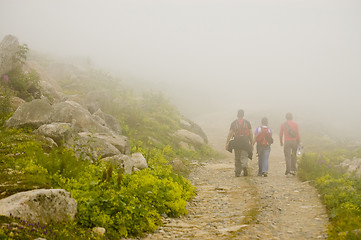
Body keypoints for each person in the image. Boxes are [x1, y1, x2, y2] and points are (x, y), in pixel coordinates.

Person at [225, 109, 253, 177]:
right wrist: (252, 143)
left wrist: (227, 142)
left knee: (237, 157)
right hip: (245, 141)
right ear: (243, 115)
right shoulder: (247, 122)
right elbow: (251, 133)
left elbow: (230, 133)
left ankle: (237, 173)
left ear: (237, 115)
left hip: (237, 141)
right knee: (244, 155)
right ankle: (244, 166)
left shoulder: (234, 123)